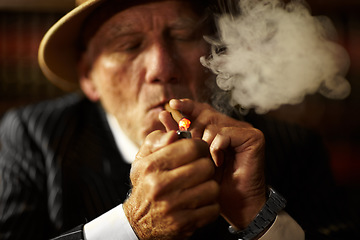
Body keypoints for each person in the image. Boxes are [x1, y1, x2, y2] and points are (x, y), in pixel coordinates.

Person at [0, 0, 352, 239]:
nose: (162, 68)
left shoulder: (287, 146)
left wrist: (257, 217)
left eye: (182, 36)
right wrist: (132, 225)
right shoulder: (31, 137)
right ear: (89, 77)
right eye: (128, 45)